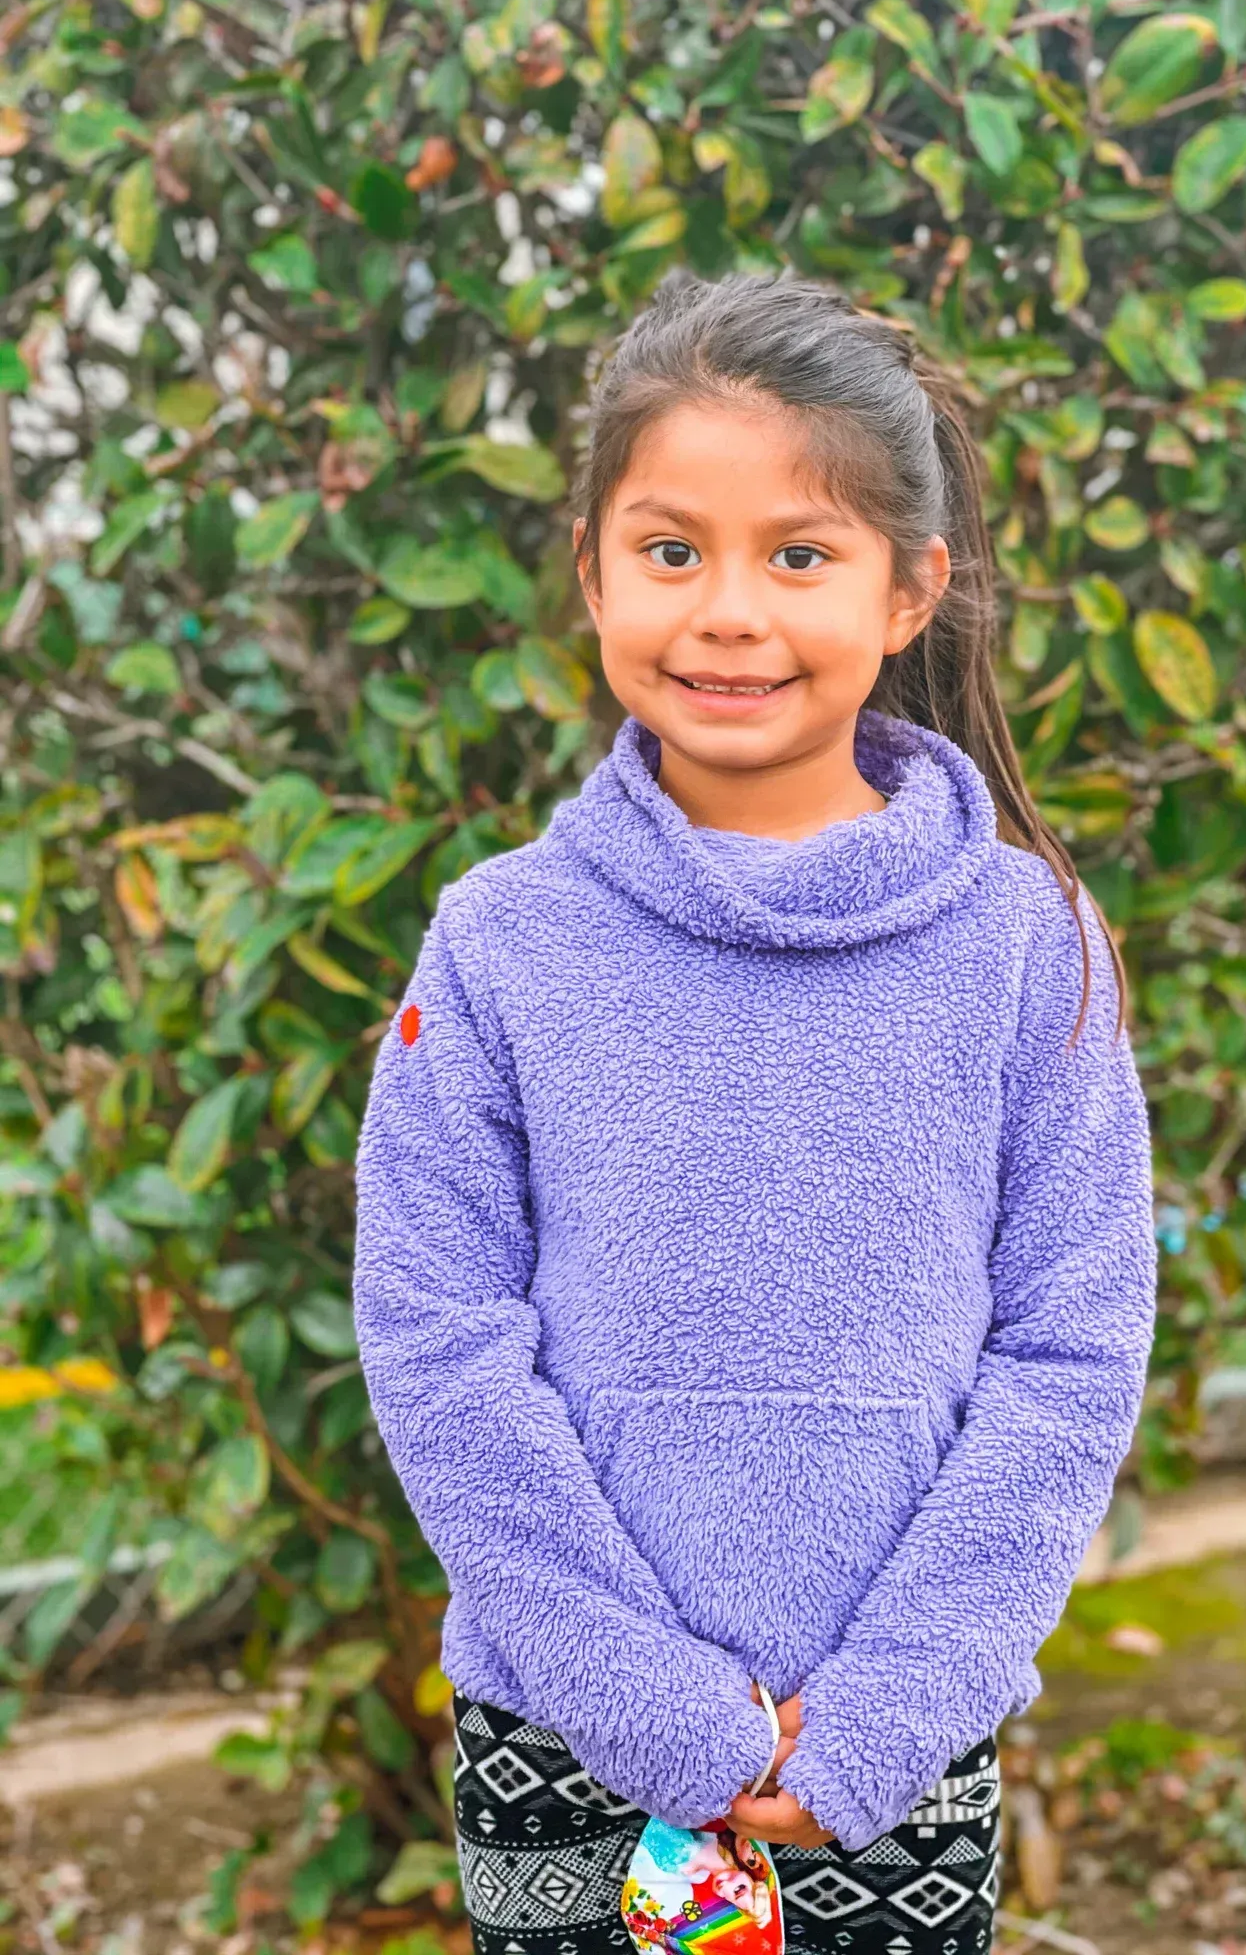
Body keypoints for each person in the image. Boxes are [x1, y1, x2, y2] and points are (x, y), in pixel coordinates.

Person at [352, 267, 1158, 1955]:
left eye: (799, 554)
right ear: (590, 571)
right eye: (670, 550)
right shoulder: (499, 941)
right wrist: (652, 1707)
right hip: (567, 1735)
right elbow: (436, 1336)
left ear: (908, 589)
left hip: (890, 1751)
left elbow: (1072, 1352)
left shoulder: (1025, 948)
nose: (728, 610)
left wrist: (890, 1708)